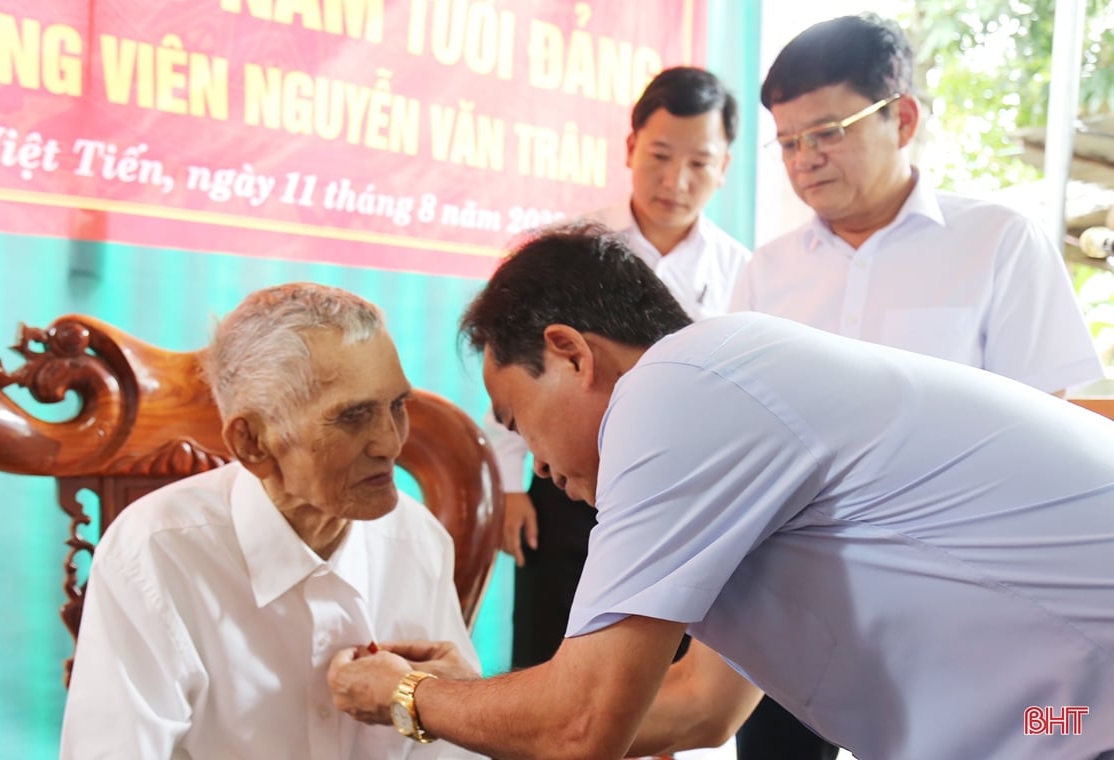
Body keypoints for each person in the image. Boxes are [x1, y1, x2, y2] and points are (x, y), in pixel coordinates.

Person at [327, 226, 1114, 760]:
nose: (534, 465)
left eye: (517, 420)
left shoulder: (676, 388)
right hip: (1060, 719)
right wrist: (473, 698)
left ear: (568, 353)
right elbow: (703, 703)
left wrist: (408, 693)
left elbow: (580, 724)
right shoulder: (727, 392)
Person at [730, 15, 1106, 755]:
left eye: (827, 132)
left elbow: (1047, 429)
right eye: (788, 142)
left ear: (902, 118)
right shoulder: (766, 273)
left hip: (957, 610)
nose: (805, 159)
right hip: (794, 606)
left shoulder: (998, 241)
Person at [60, 283, 484, 759]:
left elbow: (451, 753)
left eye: (397, 406)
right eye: (353, 417)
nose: (390, 442)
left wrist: (442, 700)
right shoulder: (156, 552)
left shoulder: (417, 539)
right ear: (253, 443)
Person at [490, 63, 749, 672]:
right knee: (546, 654)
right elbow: (513, 370)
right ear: (630, 148)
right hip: (564, 486)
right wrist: (507, 487)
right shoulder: (568, 250)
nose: (675, 181)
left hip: (677, 497)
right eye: (659, 156)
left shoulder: (744, 271)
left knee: (653, 675)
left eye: (698, 164)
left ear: (724, 169)